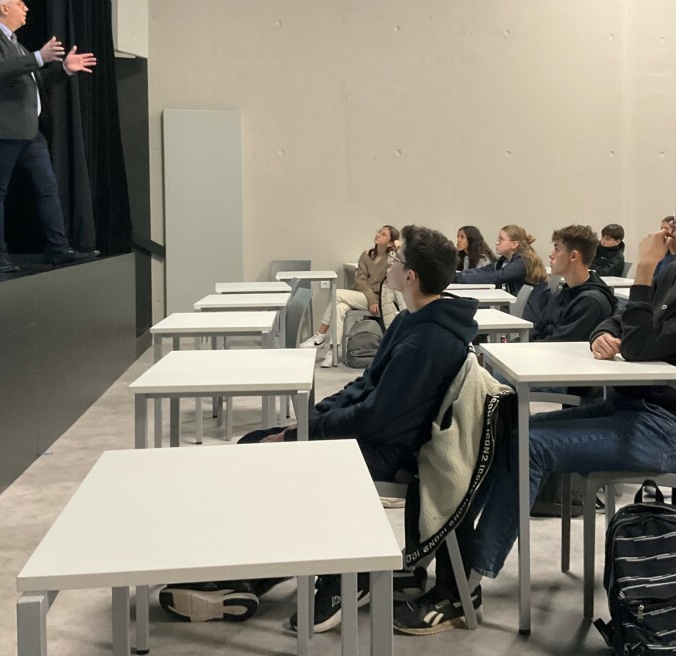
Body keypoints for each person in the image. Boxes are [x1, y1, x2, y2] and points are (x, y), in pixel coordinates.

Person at [393, 178, 676, 634]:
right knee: (508, 429)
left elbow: (645, 343)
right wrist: (602, 333)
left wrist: (645, 271)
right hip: (633, 407)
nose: (670, 226)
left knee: (533, 446)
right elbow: (618, 314)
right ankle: (449, 562)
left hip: (671, 430)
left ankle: (462, 589)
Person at [163, 225, 478, 631]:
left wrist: (304, 433)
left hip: (390, 450)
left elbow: (375, 417)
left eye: (397, 260)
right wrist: (309, 422)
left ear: (411, 277)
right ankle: (251, 571)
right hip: (378, 435)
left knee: (270, 454)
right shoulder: (412, 321)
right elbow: (364, 387)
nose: (391, 264)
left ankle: (338, 578)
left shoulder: (427, 340)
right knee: (253, 442)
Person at [0, 0, 99, 273]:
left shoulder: (18, 45)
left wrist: (64, 69)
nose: (25, 8)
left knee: (48, 189)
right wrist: (39, 57)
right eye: (20, 2)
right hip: (0, 130)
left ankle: (60, 249)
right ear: (4, 8)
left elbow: (35, 82)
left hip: (29, 132)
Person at [300, 224, 400, 366]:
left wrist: (398, 246)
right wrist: (370, 299)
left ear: (390, 242)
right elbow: (360, 281)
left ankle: (319, 337)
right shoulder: (366, 255)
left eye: (383, 234)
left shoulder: (392, 259)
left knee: (337, 294)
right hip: (364, 296)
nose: (378, 234)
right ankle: (332, 352)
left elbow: (406, 263)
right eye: (379, 231)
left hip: (380, 300)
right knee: (339, 307)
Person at [530, 225, 617, 342]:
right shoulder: (562, 292)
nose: (551, 255)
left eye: (557, 249)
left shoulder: (590, 302)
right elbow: (537, 329)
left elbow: (558, 344)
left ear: (573, 256)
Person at [453, 224, 547, 294]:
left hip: (528, 313)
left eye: (501, 239)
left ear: (514, 244)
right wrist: (456, 276)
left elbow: (496, 276)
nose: (497, 243)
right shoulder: (504, 260)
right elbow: (484, 270)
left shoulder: (523, 262)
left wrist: (457, 279)